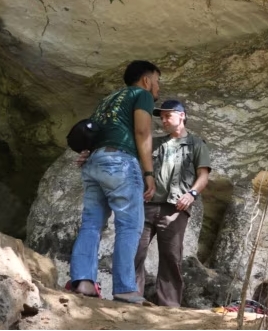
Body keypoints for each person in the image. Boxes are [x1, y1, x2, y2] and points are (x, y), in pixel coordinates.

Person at [69, 61, 160, 304]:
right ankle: (125, 288)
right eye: (157, 81)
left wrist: (92, 153)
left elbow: (93, 132)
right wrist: (149, 173)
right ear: (146, 80)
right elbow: (142, 132)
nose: (158, 87)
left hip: (94, 163)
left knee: (91, 224)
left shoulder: (107, 99)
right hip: (120, 162)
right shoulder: (142, 95)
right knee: (129, 226)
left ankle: (84, 281)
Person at [134, 99, 211, 307]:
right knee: (135, 251)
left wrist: (191, 194)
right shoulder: (156, 143)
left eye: (168, 116)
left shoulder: (197, 144)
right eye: (162, 117)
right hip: (147, 205)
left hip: (175, 209)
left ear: (182, 115)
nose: (164, 120)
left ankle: (168, 306)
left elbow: (203, 175)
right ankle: (130, 298)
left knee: (170, 257)